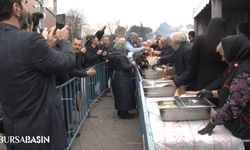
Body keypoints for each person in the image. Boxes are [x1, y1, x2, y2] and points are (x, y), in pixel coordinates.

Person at [0, 0, 75, 150]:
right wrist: (65, 41)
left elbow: (21, 63)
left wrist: (46, 46)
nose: (26, 6)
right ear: (16, 8)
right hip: (41, 132)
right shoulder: (30, 40)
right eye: (24, 3)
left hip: (14, 133)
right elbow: (66, 63)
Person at [197, 35, 250, 149]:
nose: (222, 59)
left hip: (245, 129)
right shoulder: (238, 66)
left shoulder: (245, 71)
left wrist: (213, 121)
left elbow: (235, 104)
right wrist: (211, 93)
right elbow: (234, 91)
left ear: (233, 52)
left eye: (223, 55)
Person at [189, 17, 228, 91]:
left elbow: (192, 60)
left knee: (204, 100)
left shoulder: (200, 39)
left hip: (203, 78)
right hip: (223, 78)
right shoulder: (226, 40)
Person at [109, 38, 136, 119]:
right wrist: (132, 64)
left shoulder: (113, 54)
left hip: (116, 76)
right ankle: (124, 113)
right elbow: (125, 67)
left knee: (119, 95)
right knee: (124, 95)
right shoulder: (121, 56)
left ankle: (120, 112)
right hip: (123, 78)